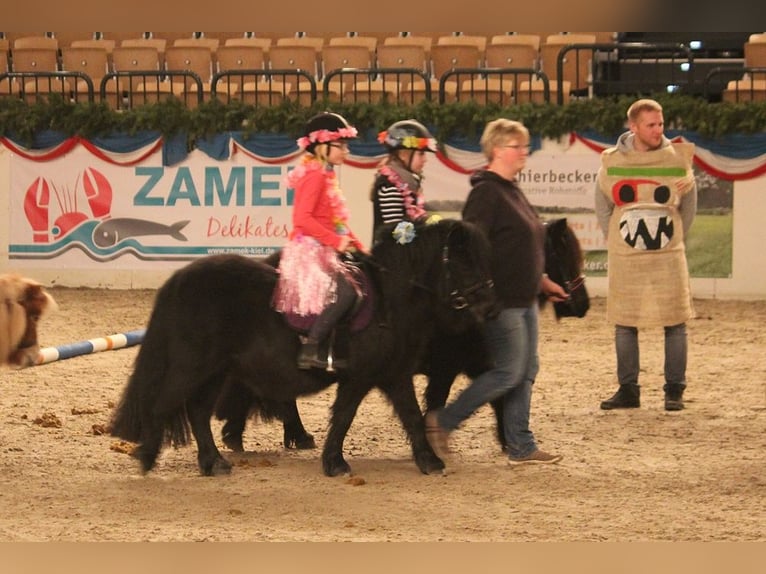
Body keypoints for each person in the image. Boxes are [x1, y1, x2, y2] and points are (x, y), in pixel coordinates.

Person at [424, 118, 568, 466]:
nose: (524, 152)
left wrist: (543, 280)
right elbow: (471, 247)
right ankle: (441, 422)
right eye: (518, 146)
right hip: (501, 301)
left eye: (524, 146)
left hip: (525, 297)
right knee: (509, 370)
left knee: (526, 369)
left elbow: (524, 243)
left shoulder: (511, 189)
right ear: (498, 150)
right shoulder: (486, 193)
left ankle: (520, 445)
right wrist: (483, 293)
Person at [595, 98, 697, 411]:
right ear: (634, 127)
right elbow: (603, 204)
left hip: (668, 253)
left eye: (660, 124)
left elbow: (689, 206)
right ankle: (629, 389)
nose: (658, 130)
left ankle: (674, 390)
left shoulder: (677, 157)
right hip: (627, 254)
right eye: (651, 125)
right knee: (625, 321)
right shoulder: (612, 161)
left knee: (675, 320)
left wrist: (675, 238)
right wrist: (615, 240)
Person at [273, 111, 367, 370]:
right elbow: (302, 218)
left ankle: (336, 347)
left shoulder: (326, 175)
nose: (346, 151)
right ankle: (311, 346)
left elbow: (337, 220)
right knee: (346, 291)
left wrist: (360, 247)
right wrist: (336, 242)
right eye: (341, 145)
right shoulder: (314, 176)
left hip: (325, 245)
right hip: (309, 250)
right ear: (323, 146)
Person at [371, 119, 441, 237]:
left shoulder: (407, 183)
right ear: (403, 155)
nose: (425, 160)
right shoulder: (390, 187)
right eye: (421, 154)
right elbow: (397, 235)